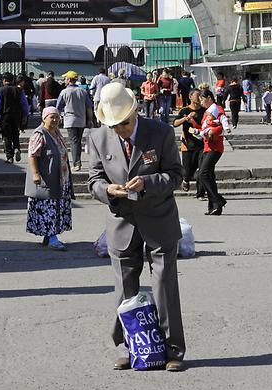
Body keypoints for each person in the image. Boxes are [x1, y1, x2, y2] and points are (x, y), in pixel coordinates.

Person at [87, 82, 186, 372]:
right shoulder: (97, 137)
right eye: (115, 125)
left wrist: (148, 183)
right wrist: (108, 190)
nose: (121, 130)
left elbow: (176, 176)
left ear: (136, 111)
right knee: (124, 289)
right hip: (121, 221)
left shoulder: (162, 132)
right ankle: (127, 348)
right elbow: (93, 181)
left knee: (165, 285)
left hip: (159, 218)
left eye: (125, 124)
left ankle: (172, 350)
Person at [26, 106, 74, 250]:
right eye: (51, 117)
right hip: (47, 179)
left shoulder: (57, 133)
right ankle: (52, 238)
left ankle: (49, 236)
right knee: (49, 208)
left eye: (57, 117)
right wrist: (35, 173)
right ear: (44, 118)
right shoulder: (39, 134)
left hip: (61, 178)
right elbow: (32, 155)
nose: (55, 120)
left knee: (57, 208)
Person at [197, 89, 228, 215]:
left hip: (215, 148)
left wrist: (212, 132)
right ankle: (214, 207)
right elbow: (204, 128)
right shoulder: (206, 112)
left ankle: (218, 200)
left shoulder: (217, 109)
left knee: (203, 174)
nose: (201, 102)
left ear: (209, 97)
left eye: (202, 99)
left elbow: (221, 126)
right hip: (206, 146)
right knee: (208, 175)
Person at [56, 71, 94, 171]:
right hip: (81, 120)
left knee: (74, 141)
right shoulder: (83, 92)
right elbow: (89, 107)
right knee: (78, 141)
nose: (64, 80)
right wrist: (90, 120)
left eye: (65, 78)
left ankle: (76, 163)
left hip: (70, 120)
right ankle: (78, 162)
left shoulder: (64, 92)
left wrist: (57, 119)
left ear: (69, 80)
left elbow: (58, 107)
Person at [174, 89, 205, 197]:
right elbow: (175, 123)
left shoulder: (205, 111)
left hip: (202, 145)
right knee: (188, 171)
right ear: (191, 97)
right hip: (188, 145)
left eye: (201, 95)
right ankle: (186, 180)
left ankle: (200, 193)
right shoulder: (184, 110)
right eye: (198, 95)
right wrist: (186, 118)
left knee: (202, 170)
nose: (200, 97)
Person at [0, 72, 29, 163]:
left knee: (6, 136)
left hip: (5, 116)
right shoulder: (19, 90)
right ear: (12, 80)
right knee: (15, 133)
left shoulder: (1, 90)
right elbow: (25, 104)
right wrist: (25, 115)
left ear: (4, 80)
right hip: (17, 116)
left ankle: (9, 157)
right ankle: (17, 148)